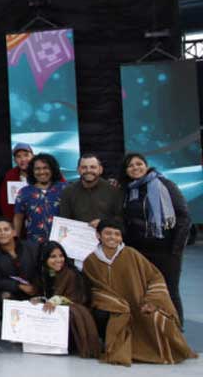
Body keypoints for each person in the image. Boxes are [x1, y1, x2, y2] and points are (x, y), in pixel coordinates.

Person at [83, 219, 195, 366]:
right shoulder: (91, 261)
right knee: (104, 313)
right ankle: (110, 343)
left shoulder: (131, 254)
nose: (113, 237)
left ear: (121, 237)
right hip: (113, 307)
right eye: (108, 233)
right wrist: (117, 304)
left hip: (139, 304)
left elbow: (155, 277)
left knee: (157, 319)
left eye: (117, 234)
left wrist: (151, 301)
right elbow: (95, 289)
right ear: (98, 235)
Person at [119, 152, 190, 320]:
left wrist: (176, 250)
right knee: (144, 291)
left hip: (166, 250)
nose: (135, 168)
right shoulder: (127, 190)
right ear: (126, 170)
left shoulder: (165, 185)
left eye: (139, 164)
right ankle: (152, 330)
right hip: (139, 251)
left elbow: (183, 218)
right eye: (130, 165)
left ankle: (176, 329)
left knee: (169, 291)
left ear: (146, 165)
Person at [34, 240, 100, 359]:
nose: (59, 260)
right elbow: (47, 294)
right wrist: (40, 299)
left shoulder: (70, 273)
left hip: (74, 309)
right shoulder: (46, 273)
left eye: (61, 256)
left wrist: (57, 300)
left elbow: (76, 299)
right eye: (53, 256)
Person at [0, 217, 38, 310]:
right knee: (5, 295)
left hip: (35, 288)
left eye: (6, 229)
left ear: (14, 232)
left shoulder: (31, 247)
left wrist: (36, 285)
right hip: (10, 292)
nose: (2, 233)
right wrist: (19, 286)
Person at [13, 153, 67, 243]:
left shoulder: (64, 189)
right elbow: (18, 218)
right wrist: (15, 241)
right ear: (32, 171)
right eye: (37, 169)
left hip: (60, 244)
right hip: (34, 245)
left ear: (52, 169)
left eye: (45, 168)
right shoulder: (24, 192)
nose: (41, 172)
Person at [58, 153, 123, 227]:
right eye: (84, 167)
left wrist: (103, 223)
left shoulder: (113, 190)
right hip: (77, 233)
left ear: (100, 170)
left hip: (105, 232)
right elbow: (64, 220)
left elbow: (120, 218)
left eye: (93, 167)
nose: (88, 170)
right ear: (78, 170)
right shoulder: (68, 191)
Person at [0, 143, 34, 220]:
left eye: (26, 155)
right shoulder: (10, 176)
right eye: (18, 156)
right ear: (14, 160)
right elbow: (5, 202)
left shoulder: (42, 172)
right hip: (17, 219)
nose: (23, 159)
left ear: (33, 156)